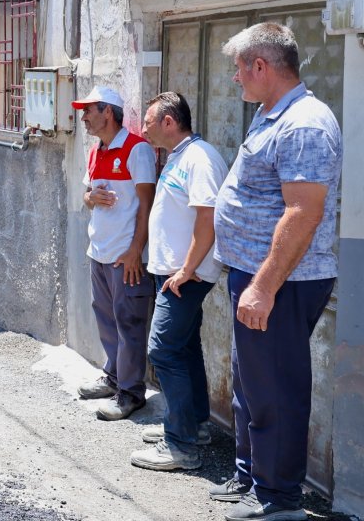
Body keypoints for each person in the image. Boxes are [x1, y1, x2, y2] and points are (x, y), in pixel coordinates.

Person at [208, 23, 341, 521]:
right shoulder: (271, 114)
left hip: (282, 281)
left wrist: (263, 286)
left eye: (239, 68)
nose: (235, 79)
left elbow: (303, 212)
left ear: (261, 66)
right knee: (252, 383)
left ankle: (279, 500)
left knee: (276, 389)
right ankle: (252, 477)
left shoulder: (304, 122)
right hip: (257, 273)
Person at [129, 92, 228, 473]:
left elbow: (208, 218)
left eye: (150, 121)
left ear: (169, 122)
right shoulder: (179, 157)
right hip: (175, 272)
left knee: (163, 351)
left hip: (185, 276)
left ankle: (180, 445)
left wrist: (186, 270)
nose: (144, 128)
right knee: (184, 349)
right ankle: (195, 425)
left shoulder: (200, 159)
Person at [74, 86, 157, 421]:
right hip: (100, 251)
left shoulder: (137, 149)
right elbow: (86, 196)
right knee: (106, 318)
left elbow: (148, 204)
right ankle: (113, 378)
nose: (83, 118)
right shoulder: (96, 150)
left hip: (126, 256)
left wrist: (136, 250)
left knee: (130, 323)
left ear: (108, 112)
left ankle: (132, 393)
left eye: (88, 111)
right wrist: (92, 198)